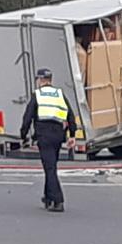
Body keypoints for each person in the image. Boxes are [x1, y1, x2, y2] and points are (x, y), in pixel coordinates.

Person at [20, 68, 76, 212]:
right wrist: (72, 135)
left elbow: (27, 117)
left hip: (44, 135)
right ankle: (48, 197)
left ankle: (58, 200)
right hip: (58, 136)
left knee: (49, 168)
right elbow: (70, 115)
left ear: (40, 80)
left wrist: (23, 135)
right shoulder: (59, 94)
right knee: (51, 166)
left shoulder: (37, 95)